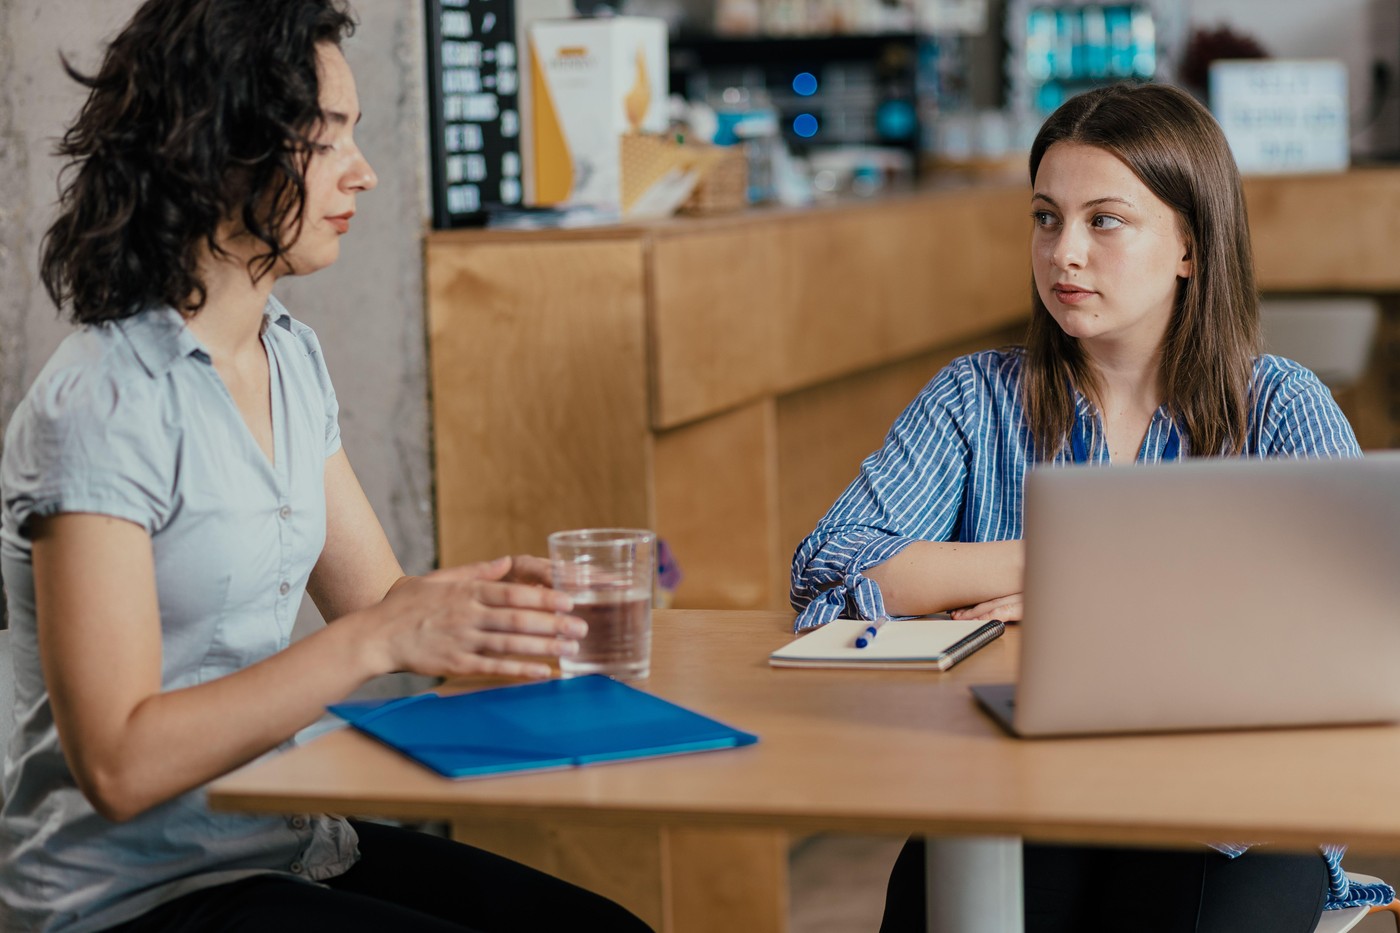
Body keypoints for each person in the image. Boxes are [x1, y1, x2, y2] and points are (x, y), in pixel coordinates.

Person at [0, 2, 652, 932]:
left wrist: (511, 618)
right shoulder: (101, 405)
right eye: (330, 136)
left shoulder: (287, 358)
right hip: (129, 899)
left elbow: (380, 606)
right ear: (225, 144)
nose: (366, 171)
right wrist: (380, 639)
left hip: (280, 842)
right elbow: (118, 763)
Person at [790, 82, 1392, 932]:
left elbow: (1360, 622)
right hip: (1014, 792)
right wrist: (1050, 567)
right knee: (938, 892)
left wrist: (1104, 596)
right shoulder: (973, 399)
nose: (1064, 253)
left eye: (1104, 220)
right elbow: (829, 563)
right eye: (1046, 218)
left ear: (1189, 244)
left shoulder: (1280, 406)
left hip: (1230, 819)